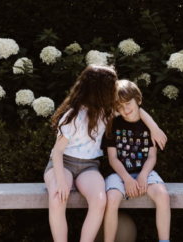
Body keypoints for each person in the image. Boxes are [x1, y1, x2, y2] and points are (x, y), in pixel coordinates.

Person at [44, 65, 167, 242]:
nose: (115, 89)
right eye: (111, 87)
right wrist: (61, 181)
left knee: (100, 200)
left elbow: (137, 109)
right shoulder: (73, 115)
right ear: (99, 91)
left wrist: (154, 128)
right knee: (57, 198)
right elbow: (57, 152)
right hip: (63, 163)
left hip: (89, 166)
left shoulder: (106, 112)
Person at [101, 79, 171, 242]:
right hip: (119, 174)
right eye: (119, 107)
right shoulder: (113, 125)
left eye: (128, 104)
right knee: (111, 199)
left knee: (163, 195)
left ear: (139, 100)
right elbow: (112, 158)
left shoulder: (148, 127)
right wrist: (126, 179)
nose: (125, 110)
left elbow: (152, 156)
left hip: (144, 172)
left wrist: (143, 176)